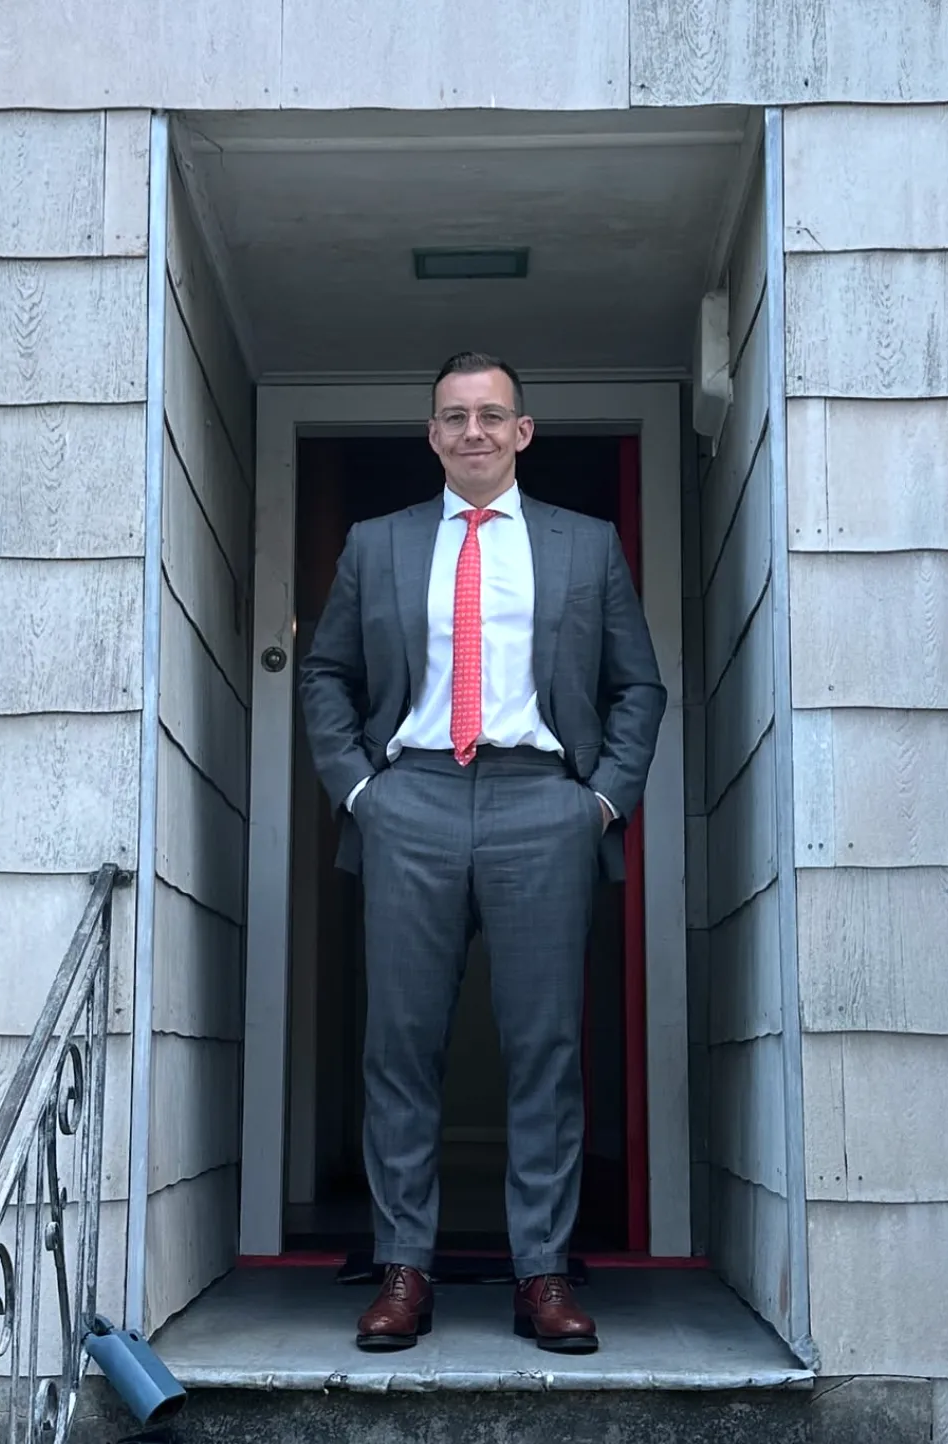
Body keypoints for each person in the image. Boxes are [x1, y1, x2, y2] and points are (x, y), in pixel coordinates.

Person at [298, 352, 666, 1354]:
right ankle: (403, 1268)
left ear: (522, 431)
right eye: (453, 417)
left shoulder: (583, 546)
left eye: (490, 416)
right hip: (407, 797)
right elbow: (326, 673)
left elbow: (638, 686)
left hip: (538, 802)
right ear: (431, 434)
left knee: (544, 1048)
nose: (471, 431)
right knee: (398, 1046)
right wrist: (361, 792)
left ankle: (541, 1272)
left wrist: (598, 802)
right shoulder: (377, 544)